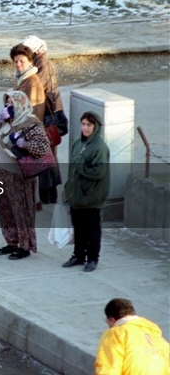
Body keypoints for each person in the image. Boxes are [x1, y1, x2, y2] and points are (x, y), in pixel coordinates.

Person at [0, 90, 50, 259]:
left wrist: (23, 143)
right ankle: (11, 241)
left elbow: (42, 147)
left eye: (12, 103)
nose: (8, 106)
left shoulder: (31, 123)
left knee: (21, 211)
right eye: (7, 102)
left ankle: (25, 245)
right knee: (5, 210)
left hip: (18, 175)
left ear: (21, 104)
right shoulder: (5, 121)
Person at [21, 34, 66, 204]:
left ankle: (48, 197)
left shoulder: (42, 64)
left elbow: (35, 86)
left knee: (46, 157)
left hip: (46, 118)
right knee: (47, 156)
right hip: (47, 116)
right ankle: (48, 196)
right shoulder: (40, 62)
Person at [63, 112, 109, 272]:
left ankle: (93, 258)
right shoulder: (78, 143)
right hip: (76, 195)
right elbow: (72, 170)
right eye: (83, 124)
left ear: (95, 127)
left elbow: (98, 172)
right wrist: (68, 189)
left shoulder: (99, 147)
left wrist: (80, 163)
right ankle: (78, 255)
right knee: (79, 228)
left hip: (91, 197)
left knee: (92, 229)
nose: (85, 127)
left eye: (88, 125)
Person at [10, 43, 46, 122]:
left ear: (30, 62)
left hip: (28, 128)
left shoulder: (32, 81)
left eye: (22, 61)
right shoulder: (20, 78)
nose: (18, 64)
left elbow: (34, 110)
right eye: (16, 61)